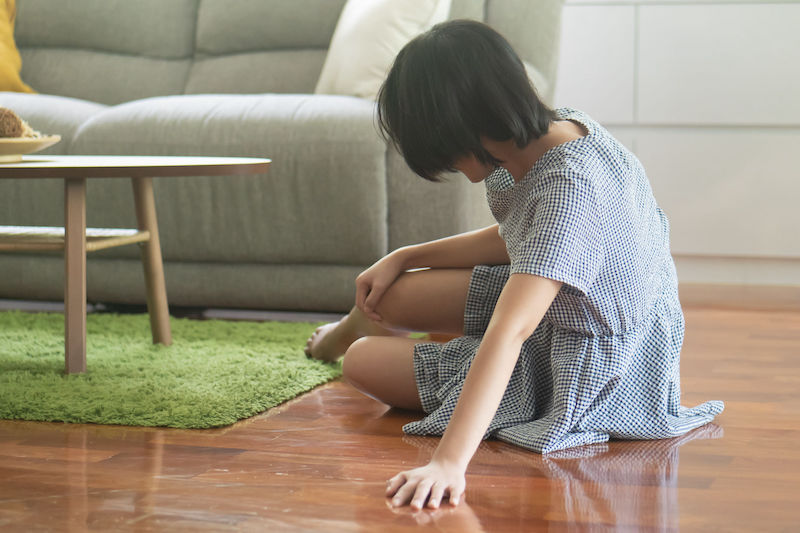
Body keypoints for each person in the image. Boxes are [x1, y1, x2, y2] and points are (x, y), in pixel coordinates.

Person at [304, 19, 723, 511]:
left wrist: (448, 463)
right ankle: (342, 332)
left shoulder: (571, 186)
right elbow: (522, 237)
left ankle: (368, 346)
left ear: (462, 125)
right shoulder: (557, 130)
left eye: (445, 154)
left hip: (587, 359)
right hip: (562, 303)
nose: (451, 168)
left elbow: (512, 330)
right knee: (395, 288)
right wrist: (406, 255)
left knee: (364, 362)